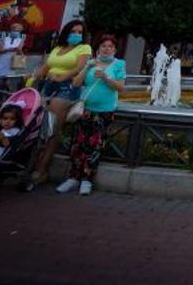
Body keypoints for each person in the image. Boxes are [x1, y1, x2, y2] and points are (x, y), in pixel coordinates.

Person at [57, 34, 127, 196]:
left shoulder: (119, 64)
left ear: (115, 50)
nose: (107, 49)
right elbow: (76, 83)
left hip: (104, 111)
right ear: (98, 48)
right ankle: (73, 177)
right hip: (85, 109)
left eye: (110, 46)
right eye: (104, 46)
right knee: (78, 144)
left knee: (95, 145)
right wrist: (87, 68)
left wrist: (105, 76)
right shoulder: (90, 63)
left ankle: (87, 180)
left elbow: (120, 87)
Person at [29, 19, 92, 185]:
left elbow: (80, 68)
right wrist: (33, 76)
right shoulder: (57, 48)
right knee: (38, 124)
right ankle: (32, 162)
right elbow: (46, 67)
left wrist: (62, 76)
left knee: (53, 127)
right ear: (66, 33)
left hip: (67, 87)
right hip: (47, 86)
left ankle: (42, 168)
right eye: (73, 32)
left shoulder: (84, 48)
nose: (76, 35)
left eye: (79, 32)